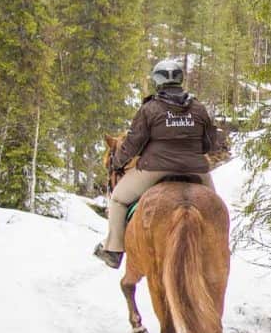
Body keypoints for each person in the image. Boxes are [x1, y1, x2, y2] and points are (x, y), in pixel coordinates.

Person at [92, 59, 221, 269]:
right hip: (196, 169)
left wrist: (117, 163)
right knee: (215, 207)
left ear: (157, 80)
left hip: (155, 169)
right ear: (180, 79)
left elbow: (132, 144)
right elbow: (209, 144)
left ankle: (113, 250)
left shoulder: (150, 108)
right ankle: (219, 247)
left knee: (118, 200)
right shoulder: (198, 108)